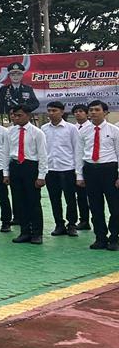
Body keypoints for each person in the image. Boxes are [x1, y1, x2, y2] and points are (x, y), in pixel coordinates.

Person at [77, 99, 119, 251]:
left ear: (105, 112)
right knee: (95, 207)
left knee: (115, 207)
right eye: (91, 110)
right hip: (90, 170)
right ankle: (100, 238)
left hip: (109, 170)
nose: (93, 112)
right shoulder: (83, 131)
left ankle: (114, 238)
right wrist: (79, 176)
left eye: (97, 110)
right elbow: (78, 154)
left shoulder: (114, 130)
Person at [4, 104, 47, 244]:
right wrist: (6, 173)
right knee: (19, 201)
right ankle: (24, 232)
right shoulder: (10, 132)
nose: (16, 118)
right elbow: (6, 153)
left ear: (28, 116)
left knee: (33, 202)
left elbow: (43, 155)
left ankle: (37, 233)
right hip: (15, 166)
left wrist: (41, 176)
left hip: (30, 167)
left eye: (19, 115)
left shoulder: (37, 133)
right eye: (14, 115)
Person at [42, 100, 85, 237]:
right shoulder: (44, 129)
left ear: (62, 112)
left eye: (54, 111)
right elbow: (42, 151)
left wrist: (78, 172)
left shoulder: (71, 129)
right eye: (49, 111)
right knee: (54, 199)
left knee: (70, 199)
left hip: (67, 169)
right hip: (51, 170)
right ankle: (59, 224)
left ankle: (71, 224)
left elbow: (77, 150)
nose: (51, 113)